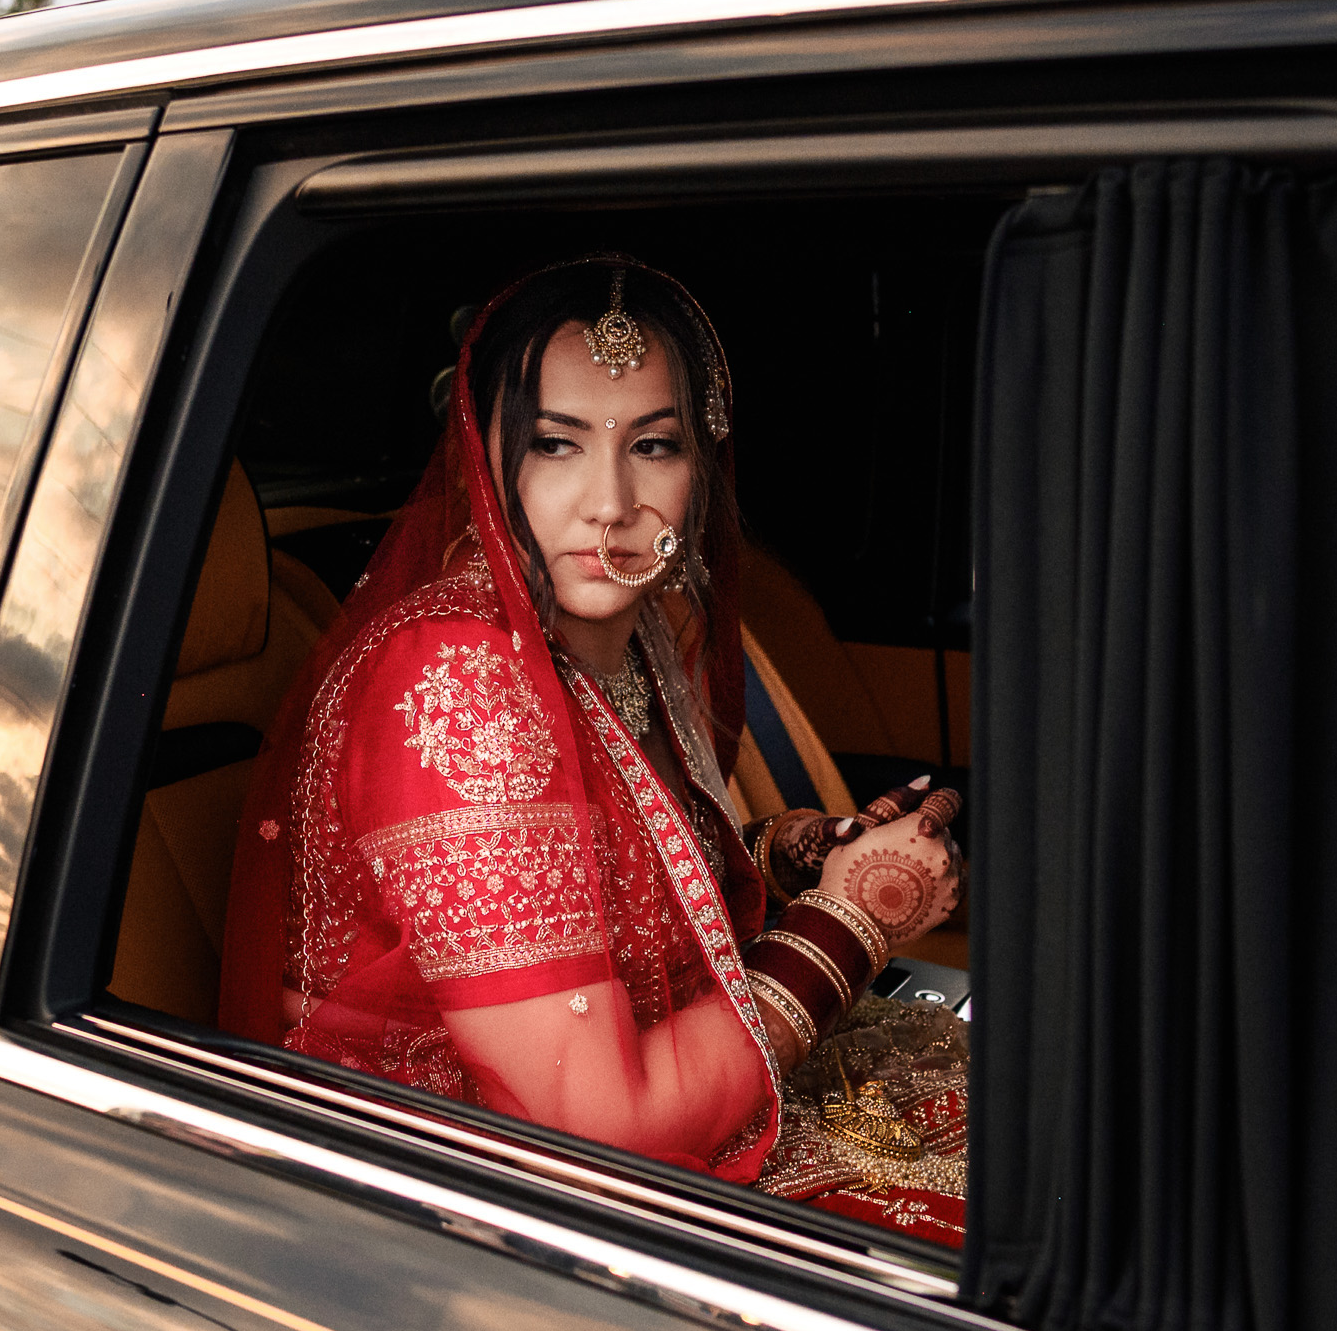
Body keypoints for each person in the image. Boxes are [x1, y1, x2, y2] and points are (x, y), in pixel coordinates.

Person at [220, 256, 971, 1242]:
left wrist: (789, 856)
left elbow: (606, 888)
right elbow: (596, 1129)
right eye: (554, 445)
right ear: (485, 458)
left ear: (702, 469)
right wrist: (852, 918)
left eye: (653, 445)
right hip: (480, 1206)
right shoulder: (458, 685)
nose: (610, 501)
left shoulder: (619, 638)